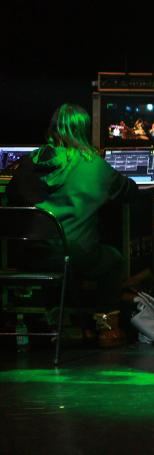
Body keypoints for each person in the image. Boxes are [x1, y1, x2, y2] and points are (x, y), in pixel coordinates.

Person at [7, 104, 136, 346]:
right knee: (113, 259)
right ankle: (105, 328)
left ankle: (57, 320)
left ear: (52, 128)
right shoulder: (95, 166)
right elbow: (130, 190)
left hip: (31, 255)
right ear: (84, 130)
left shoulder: (28, 164)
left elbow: (11, 197)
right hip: (76, 255)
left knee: (63, 257)